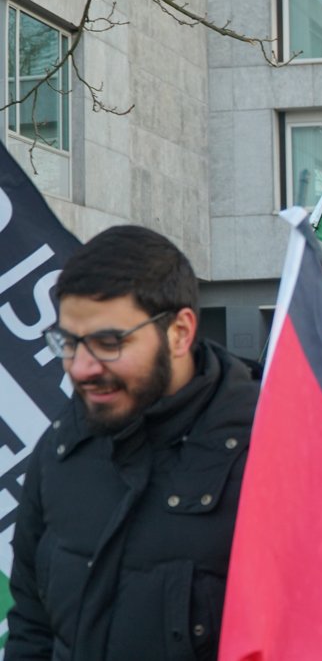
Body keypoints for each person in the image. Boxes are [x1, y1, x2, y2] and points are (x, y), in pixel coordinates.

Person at [7, 225, 259, 659]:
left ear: (180, 332)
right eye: (69, 343)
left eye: (109, 342)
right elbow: (32, 623)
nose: (82, 368)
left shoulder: (271, 455)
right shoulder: (61, 445)